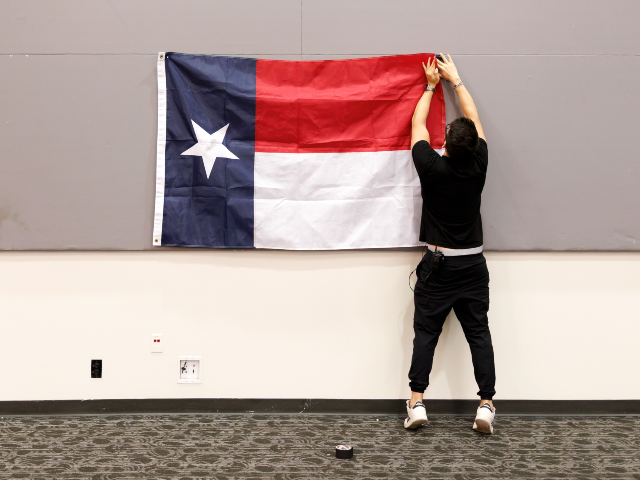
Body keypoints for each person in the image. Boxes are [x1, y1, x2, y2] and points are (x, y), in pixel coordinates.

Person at [404, 54, 497, 434]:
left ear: (443, 144)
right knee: (479, 333)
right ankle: (486, 404)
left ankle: (417, 402)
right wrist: (456, 80)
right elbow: (474, 119)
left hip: (439, 266)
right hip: (473, 266)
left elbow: (416, 125)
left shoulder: (431, 166)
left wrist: (430, 85)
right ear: (474, 146)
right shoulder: (480, 164)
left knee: (427, 332)